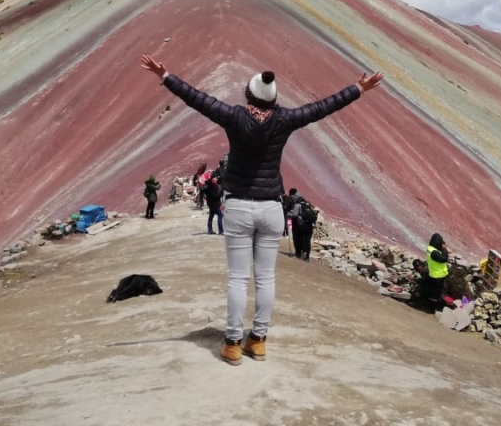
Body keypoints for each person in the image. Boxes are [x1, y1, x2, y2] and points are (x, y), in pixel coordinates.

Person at [139, 54, 384, 365]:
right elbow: (322, 107)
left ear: (248, 94)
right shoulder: (285, 120)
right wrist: (357, 89)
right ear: (274, 98)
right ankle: (257, 340)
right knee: (266, 278)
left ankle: (231, 344)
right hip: (271, 208)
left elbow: (197, 99)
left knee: (238, 279)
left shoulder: (233, 116)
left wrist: (167, 76)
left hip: (239, 207)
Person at [424, 233, 450, 313]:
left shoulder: (430, 248)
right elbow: (443, 259)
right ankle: (431, 310)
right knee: (435, 293)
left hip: (434, 273)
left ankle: (432, 308)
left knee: (434, 292)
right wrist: (444, 249)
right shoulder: (434, 252)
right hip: (438, 275)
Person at [289, 192, 318, 261]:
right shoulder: (308, 204)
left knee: (298, 239)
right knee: (307, 241)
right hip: (309, 226)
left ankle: (298, 253)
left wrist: (289, 214)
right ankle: (307, 257)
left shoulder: (297, 205)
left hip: (301, 226)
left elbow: (295, 215)